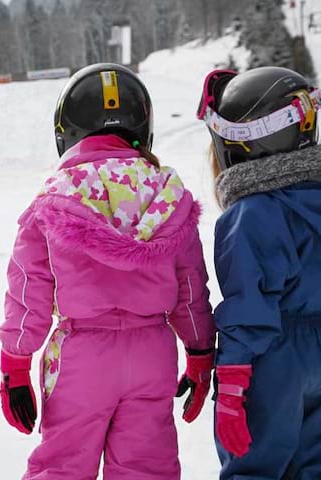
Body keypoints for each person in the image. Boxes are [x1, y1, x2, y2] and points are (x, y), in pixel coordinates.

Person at [0, 63, 216, 480]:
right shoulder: (168, 194)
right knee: (146, 468)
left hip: (81, 357)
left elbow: (29, 290)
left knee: (62, 465)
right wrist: (200, 353)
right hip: (152, 354)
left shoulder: (54, 197)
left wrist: (15, 365)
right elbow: (190, 288)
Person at [198, 66, 321, 479]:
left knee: (256, 467)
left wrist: (232, 381)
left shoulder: (251, 215)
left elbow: (247, 306)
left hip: (273, 358)